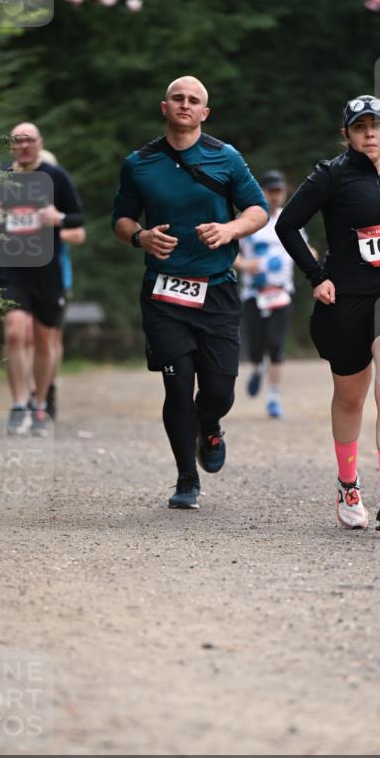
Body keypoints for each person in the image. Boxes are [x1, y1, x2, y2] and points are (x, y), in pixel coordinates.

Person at [111, 75, 269, 509]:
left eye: (193, 100)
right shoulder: (139, 163)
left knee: (219, 390)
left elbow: (258, 209)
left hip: (216, 289)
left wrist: (229, 229)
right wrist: (140, 237)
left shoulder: (226, 158)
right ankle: (185, 480)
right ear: (164, 107)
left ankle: (211, 425)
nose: (184, 104)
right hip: (164, 294)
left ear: (205, 113)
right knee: (177, 388)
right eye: (177, 98)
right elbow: (121, 219)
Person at [276, 95, 380, 531]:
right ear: (347, 134)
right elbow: (287, 224)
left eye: (375, 126)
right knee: (350, 396)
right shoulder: (331, 175)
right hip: (344, 299)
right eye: (359, 127)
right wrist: (316, 275)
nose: (369, 134)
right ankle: (348, 485)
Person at [0, 124, 85, 436]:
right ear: (11, 146)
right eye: (18, 141)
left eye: (30, 141)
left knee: (45, 340)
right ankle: (18, 405)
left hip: (47, 270)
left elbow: (77, 218)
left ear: (39, 143)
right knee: (16, 331)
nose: (25, 146)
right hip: (10, 266)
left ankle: (40, 405)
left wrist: (57, 219)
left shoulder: (55, 177)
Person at [235, 170, 315, 418]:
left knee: (277, 344)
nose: (275, 196)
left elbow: (304, 249)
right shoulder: (248, 220)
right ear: (262, 192)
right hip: (253, 293)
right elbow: (230, 253)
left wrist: (311, 256)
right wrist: (246, 265)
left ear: (284, 193)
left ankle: (273, 396)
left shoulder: (291, 221)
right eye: (270, 191)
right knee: (256, 347)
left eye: (279, 192)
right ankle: (258, 367)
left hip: (281, 293)